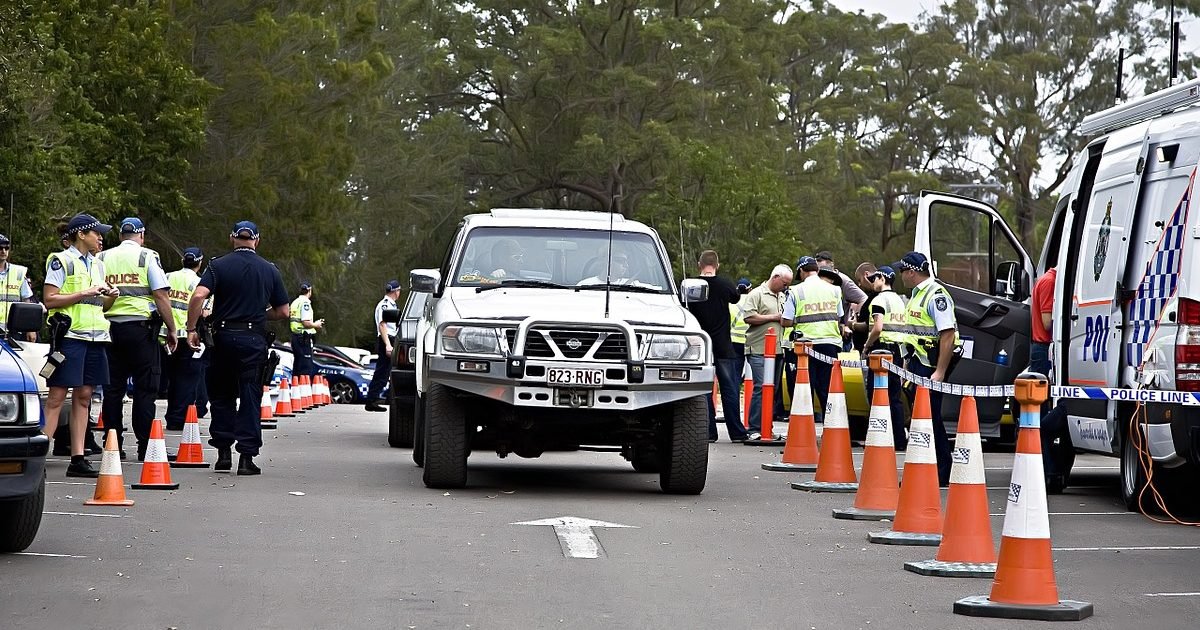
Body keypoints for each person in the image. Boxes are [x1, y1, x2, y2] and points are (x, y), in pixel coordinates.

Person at [186, 221, 289, 475]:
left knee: (221, 395)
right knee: (250, 396)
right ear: (257, 240)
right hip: (253, 339)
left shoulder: (217, 265)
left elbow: (199, 296)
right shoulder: (270, 270)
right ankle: (246, 457)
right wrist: (260, 314)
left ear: (233, 238)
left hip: (222, 337)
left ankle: (223, 453)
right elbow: (283, 311)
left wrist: (191, 329)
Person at [42, 214, 119, 477]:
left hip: (95, 338)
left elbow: (100, 306)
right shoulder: (61, 260)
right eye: (96, 233)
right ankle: (38, 458)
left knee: (85, 396)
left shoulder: (98, 265)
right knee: (56, 397)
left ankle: (78, 458)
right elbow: (50, 299)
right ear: (82, 234)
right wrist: (84, 293)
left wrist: (111, 297)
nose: (100, 237)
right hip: (70, 337)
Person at [98, 217, 177, 460]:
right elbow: (161, 296)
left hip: (109, 330)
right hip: (141, 331)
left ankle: (113, 445)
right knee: (145, 389)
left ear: (121, 235)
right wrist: (172, 329)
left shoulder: (102, 257)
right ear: (141, 236)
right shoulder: (147, 256)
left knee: (113, 389)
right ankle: (145, 446)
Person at [896, 251, 959, 486]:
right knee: (922, 419)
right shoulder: (917, 295)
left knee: (930, 419)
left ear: (911, 271)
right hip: (916, 364)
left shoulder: (936, 295)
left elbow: (948, 335)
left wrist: (940, 372)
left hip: (929, 367)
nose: (901, 275)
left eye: (902, 271)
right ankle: (929, 469)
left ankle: (942, 470)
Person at [686, 250, 749, 443]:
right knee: (729, 388)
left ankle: (709, 432)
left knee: (704, 389)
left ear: (699, 264)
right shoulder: (725, 284)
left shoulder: (691, 286)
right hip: (723, 344)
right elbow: (736, 298)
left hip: (699, 344)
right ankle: (737, 432)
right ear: (717, 265)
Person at [781, 256, 844, 425]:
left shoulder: (796, 291)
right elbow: (839, 318)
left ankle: (803, 431)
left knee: (804, 390)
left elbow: (785, 320)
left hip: (805, 346)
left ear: (801, 271)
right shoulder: (835, 290)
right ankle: (832, 428)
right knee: (827, 391)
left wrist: (797, 320)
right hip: (830, 344)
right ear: (816, 270)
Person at [1031, 266, 1072, 493]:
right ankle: (1050, 473)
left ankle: (1055, 472)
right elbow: (1048, 323)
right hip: (1044, 349)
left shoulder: (1049, 280)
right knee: (1045, 418)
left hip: (1046, 350)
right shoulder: (1049, 282)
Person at [861, 265, 909, 450]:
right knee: (894, 397)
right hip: (897, 351)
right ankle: (898, 439)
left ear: (882, 278)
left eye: (874, 279)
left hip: (881, 350)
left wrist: (867, 345)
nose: (872, 282)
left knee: (877, 395)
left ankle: (879, 438)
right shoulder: (899, 301)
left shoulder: (879, 300)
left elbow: (878, 327)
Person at [741, 264, 792, 439]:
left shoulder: (783, 296)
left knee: (773, 389)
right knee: (761, 387)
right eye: (784, 283)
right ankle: (754, 428)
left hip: (777, 350)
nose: (786, 287)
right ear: (775, 277)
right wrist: (774, 317)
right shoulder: (756, 294)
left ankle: (766, 427)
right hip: (758, 348)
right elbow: (749, 317)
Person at [163, 247, 206, 431]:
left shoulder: (168, 276)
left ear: (182, 261)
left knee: (171, 378)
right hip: (187, 335)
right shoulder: (200, 283)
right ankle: (178, 417)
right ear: (200, 263)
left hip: (165, 334)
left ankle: (172, 415)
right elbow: (204, 311)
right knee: (186, 379)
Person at [814, 251, 868, 349]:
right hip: (818, 333)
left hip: (839, 334)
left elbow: (863, 298)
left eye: (822, 269)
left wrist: (851, 322)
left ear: (831, 265)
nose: (819, 273)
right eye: (817, 270)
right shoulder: (814, 280)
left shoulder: (843, 281)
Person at [365, 279, 402, 412]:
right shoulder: (385, 305)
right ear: (396, 291)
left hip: (389, 339)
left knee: (385, 372)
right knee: (382, 371)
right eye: (398, 291)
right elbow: (382, 325)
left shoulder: (391, 304)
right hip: (386, 339)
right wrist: (387, 345)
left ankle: (375, 398)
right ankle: (371, 400)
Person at [0, 233, 37, 341]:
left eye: (6, 248)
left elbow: (27, 301)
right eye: (0, 248)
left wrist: (30, 328)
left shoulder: (18, 272)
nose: (3, 251)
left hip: (13, 331)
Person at [289, 282, 323, 380]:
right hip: (303, 338)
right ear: (310, 291)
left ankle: (296, 392)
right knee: (305, 368)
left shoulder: (295, 302)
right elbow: (306, 322)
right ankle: (303, 392)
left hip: (296, 337)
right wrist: (316, 324)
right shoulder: (305, 303)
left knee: (297, 367)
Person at [850, 262, 879, 350]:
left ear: (866, 274)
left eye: (859, 280)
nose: (859, 284)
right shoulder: (873, 297)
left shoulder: (877, 298)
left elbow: (871, 325)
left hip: (872, 350)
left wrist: (852, 324)